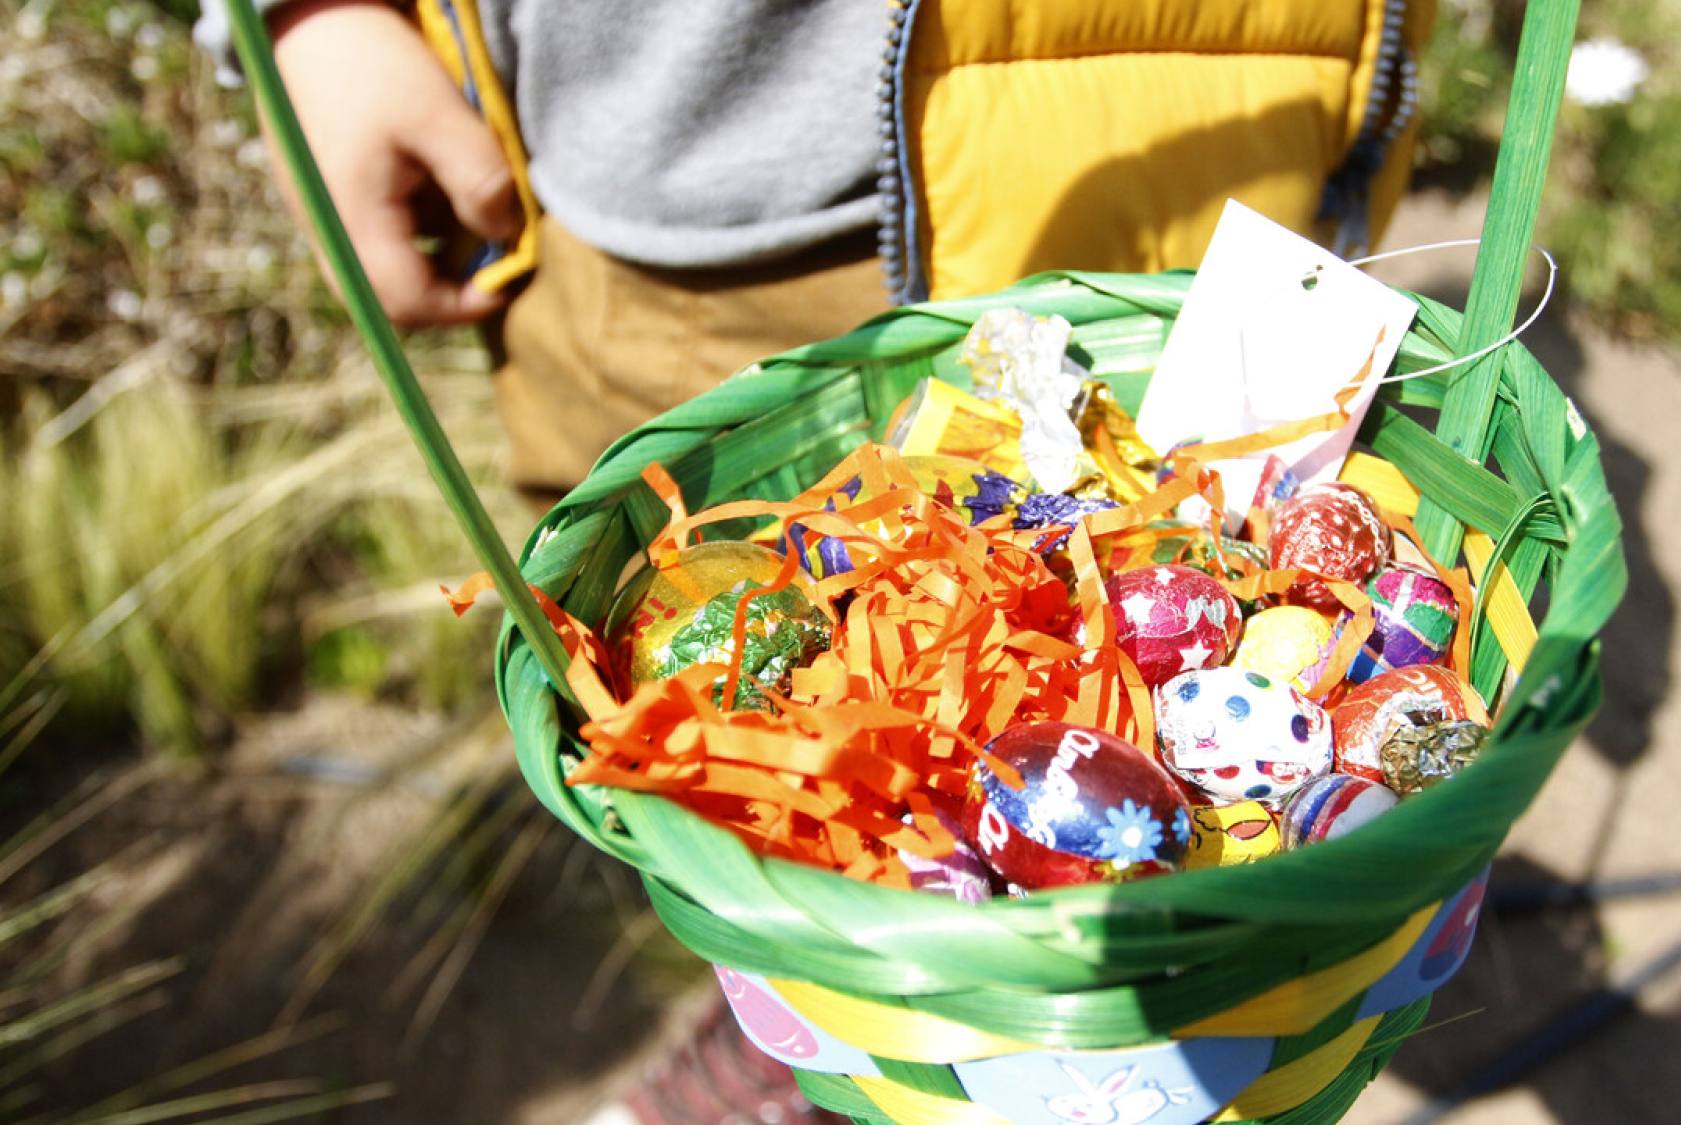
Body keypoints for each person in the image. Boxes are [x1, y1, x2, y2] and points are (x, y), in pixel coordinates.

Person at [198, 1, 1430, 1119]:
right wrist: (314, 14)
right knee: (728, 774)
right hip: (686, 196)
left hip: (1203, 128)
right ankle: (815, 1036)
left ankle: (983, 1048)